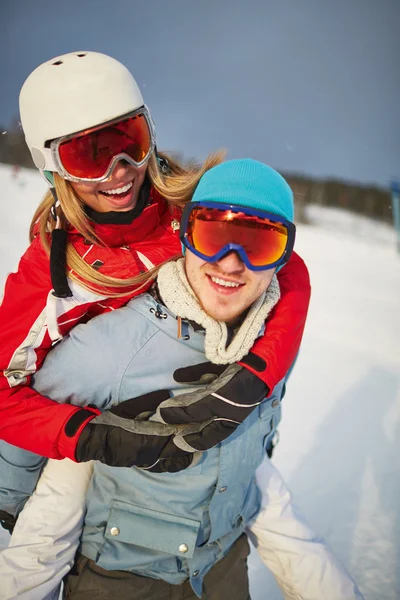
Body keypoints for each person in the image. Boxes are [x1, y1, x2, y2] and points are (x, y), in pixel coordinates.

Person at [0, 160, 362, 600]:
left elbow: (255, 454)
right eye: (214, 235)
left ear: (283, 259)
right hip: (121, 580)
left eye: (259, 245)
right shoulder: (114, 348)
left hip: (225, 568)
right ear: (186, 236)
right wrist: (11, 508)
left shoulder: (275, 342)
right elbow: (23, 423)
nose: (232, 264)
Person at [0, 52, 310, 531]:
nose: (119, 170)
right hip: (89, 465)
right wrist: (90, 437)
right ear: (51, 168)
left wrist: (257, 375)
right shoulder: (51, 272)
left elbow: (286, 268)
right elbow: (5, 395)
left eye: (130, 142)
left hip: (210, 460)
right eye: (88, 155)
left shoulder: (185, 211)